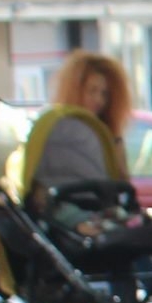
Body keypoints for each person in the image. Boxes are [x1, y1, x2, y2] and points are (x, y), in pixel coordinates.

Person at [34, 52, 140, 239]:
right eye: (92, 91)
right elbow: (42, 191)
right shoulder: (55, 130)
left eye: (104, 94)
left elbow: (122, 182)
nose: (99, 100)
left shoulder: (107, 135)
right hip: (67, 216)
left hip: (99, 213)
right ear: (75, 89)